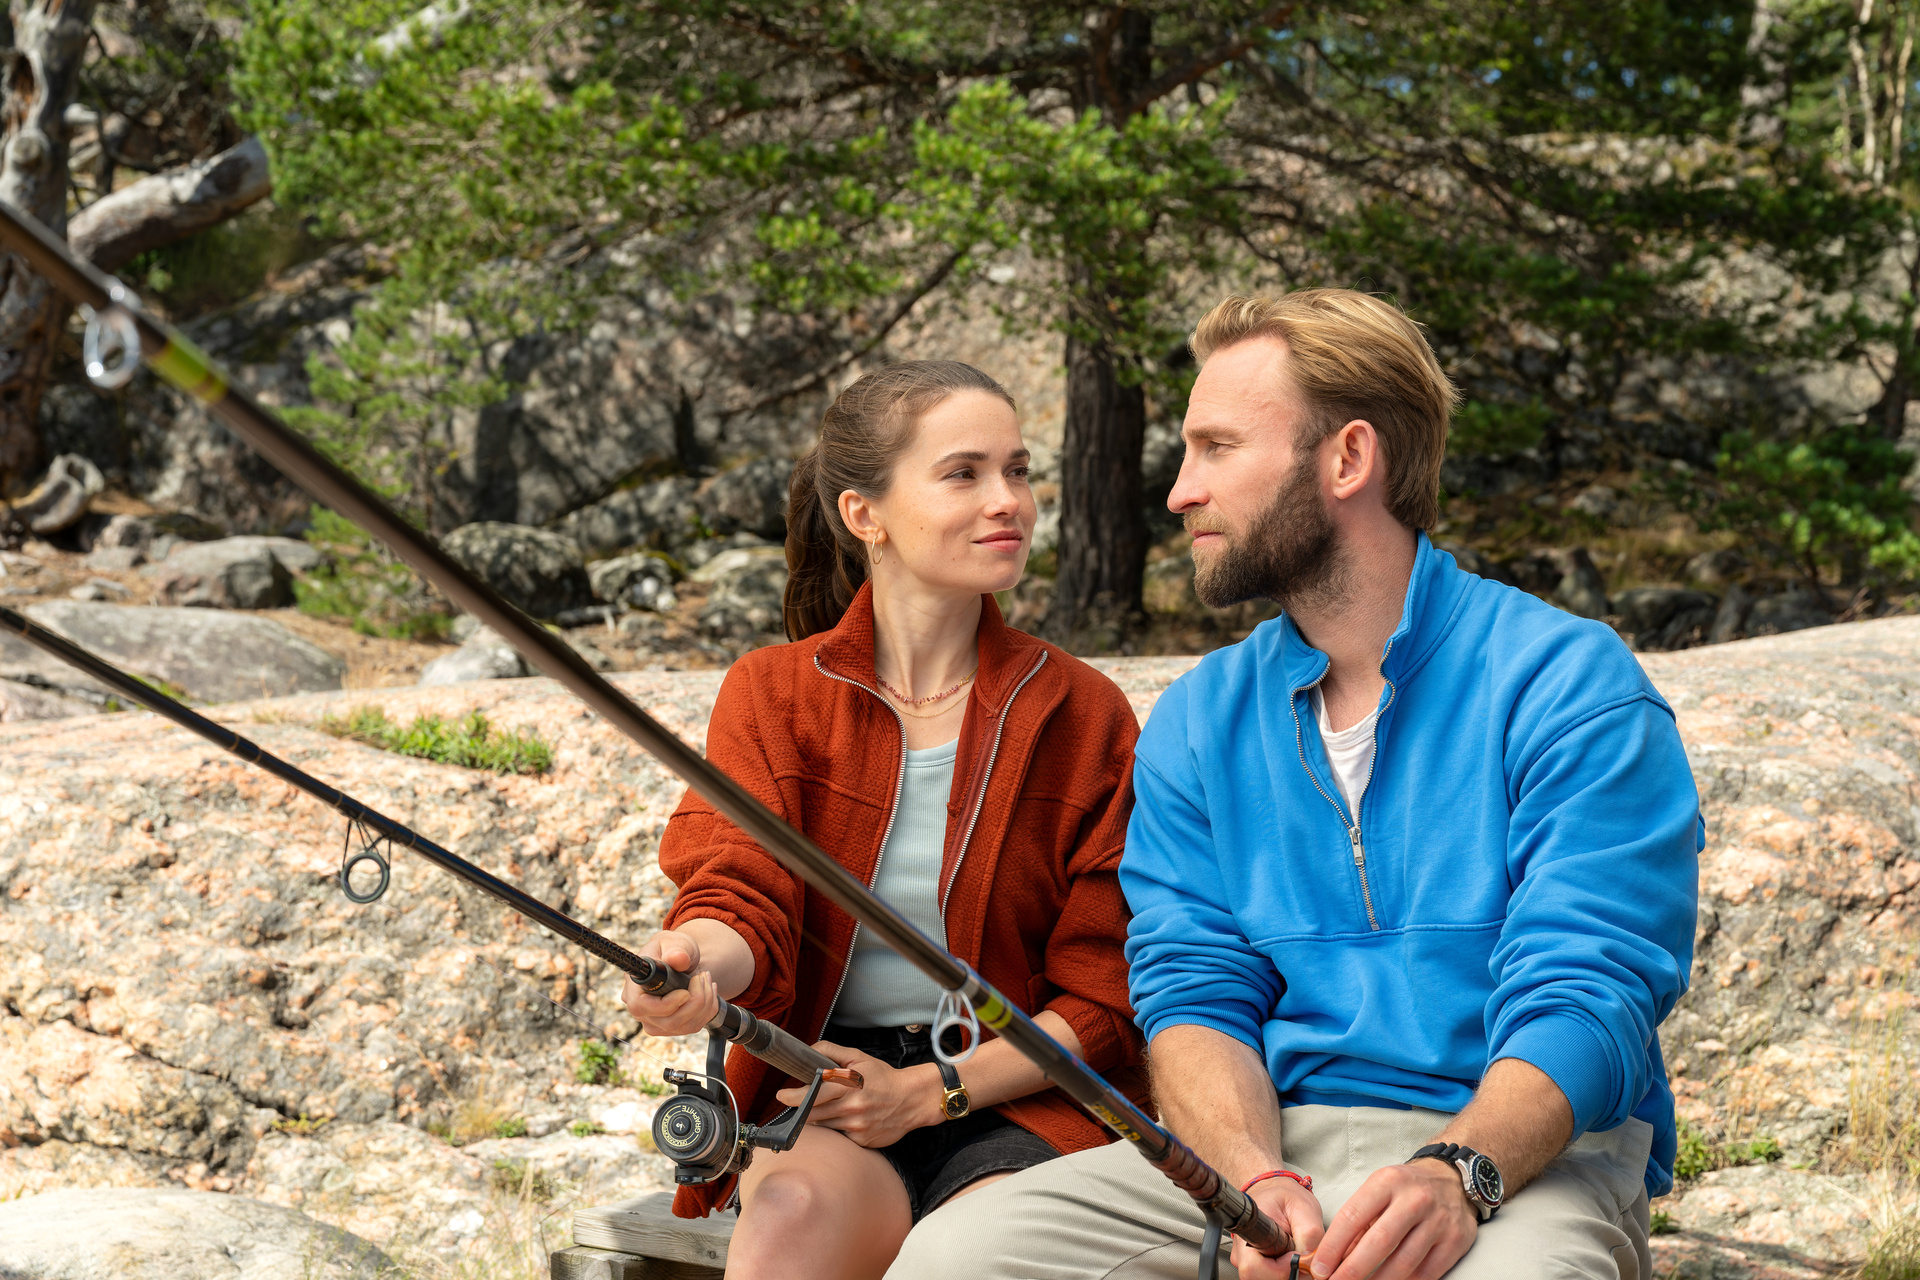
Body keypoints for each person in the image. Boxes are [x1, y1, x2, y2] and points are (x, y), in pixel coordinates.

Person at [886, 290, 1702, 1280]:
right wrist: (1250, 1177)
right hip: (1278, 1141)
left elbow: (1590, 988)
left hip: (1520, 1157)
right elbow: (1193, 988)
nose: (1180, 491)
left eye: (1217, 448)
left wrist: (1459, 1171)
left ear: (1348, 458)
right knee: (957, 1256)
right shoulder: (1201, 717)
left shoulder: (1568, 684)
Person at [622, 360, 1149, 1280]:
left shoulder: (1083, 711)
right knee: (787, 1223)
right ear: (864, 514)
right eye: (963, 474)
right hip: (827, 1082)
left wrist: (932, 1092)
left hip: (1020, 1089)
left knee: (974, 1258)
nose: (1008, 501)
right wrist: (693, 962)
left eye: (1017, 471)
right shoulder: (772, 693)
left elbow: (1106, 997)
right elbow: (739, 889)